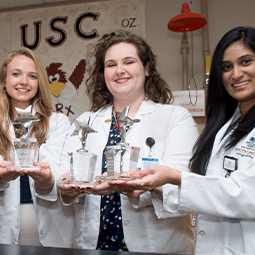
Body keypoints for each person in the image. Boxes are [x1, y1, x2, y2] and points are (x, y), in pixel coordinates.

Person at [115, 26, 255, 255]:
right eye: (227, 67)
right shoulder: (225, 127)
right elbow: (209, 190)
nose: (236, 74)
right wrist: (156, 187)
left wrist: (175, 177)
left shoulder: (178, 117)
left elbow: (246, 194)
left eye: (246, 61)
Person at [57, 30, 198, 253]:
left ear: (147, 68)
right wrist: (67, 184)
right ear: (103, 73)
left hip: (157, 246)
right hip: (93, 245)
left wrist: (136, 186)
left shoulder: (175, 118)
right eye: (111, 64)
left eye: (129, 62)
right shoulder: (86, 121)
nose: (119, 70)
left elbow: (184, 183)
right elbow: (65, 171)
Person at [0, 47, 74, 247]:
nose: (23, 82)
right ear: (4, 80)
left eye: (32, 76)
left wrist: (47, 180)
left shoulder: (58, 123)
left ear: (39, 82)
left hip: (53, 230)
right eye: (16, 74)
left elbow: (62, 175)